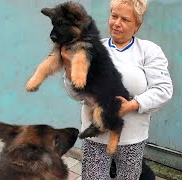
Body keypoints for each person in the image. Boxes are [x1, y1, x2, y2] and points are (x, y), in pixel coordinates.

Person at [61, 0, 173, 179]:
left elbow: (163, 89)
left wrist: (132, 105)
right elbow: (77, 94)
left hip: (131, 137)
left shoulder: (149, 51)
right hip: (95, 136)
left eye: (126, 20)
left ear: (137, 25)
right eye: (114, 16)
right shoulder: (93, 48)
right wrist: (68, 66)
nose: (117, 23)